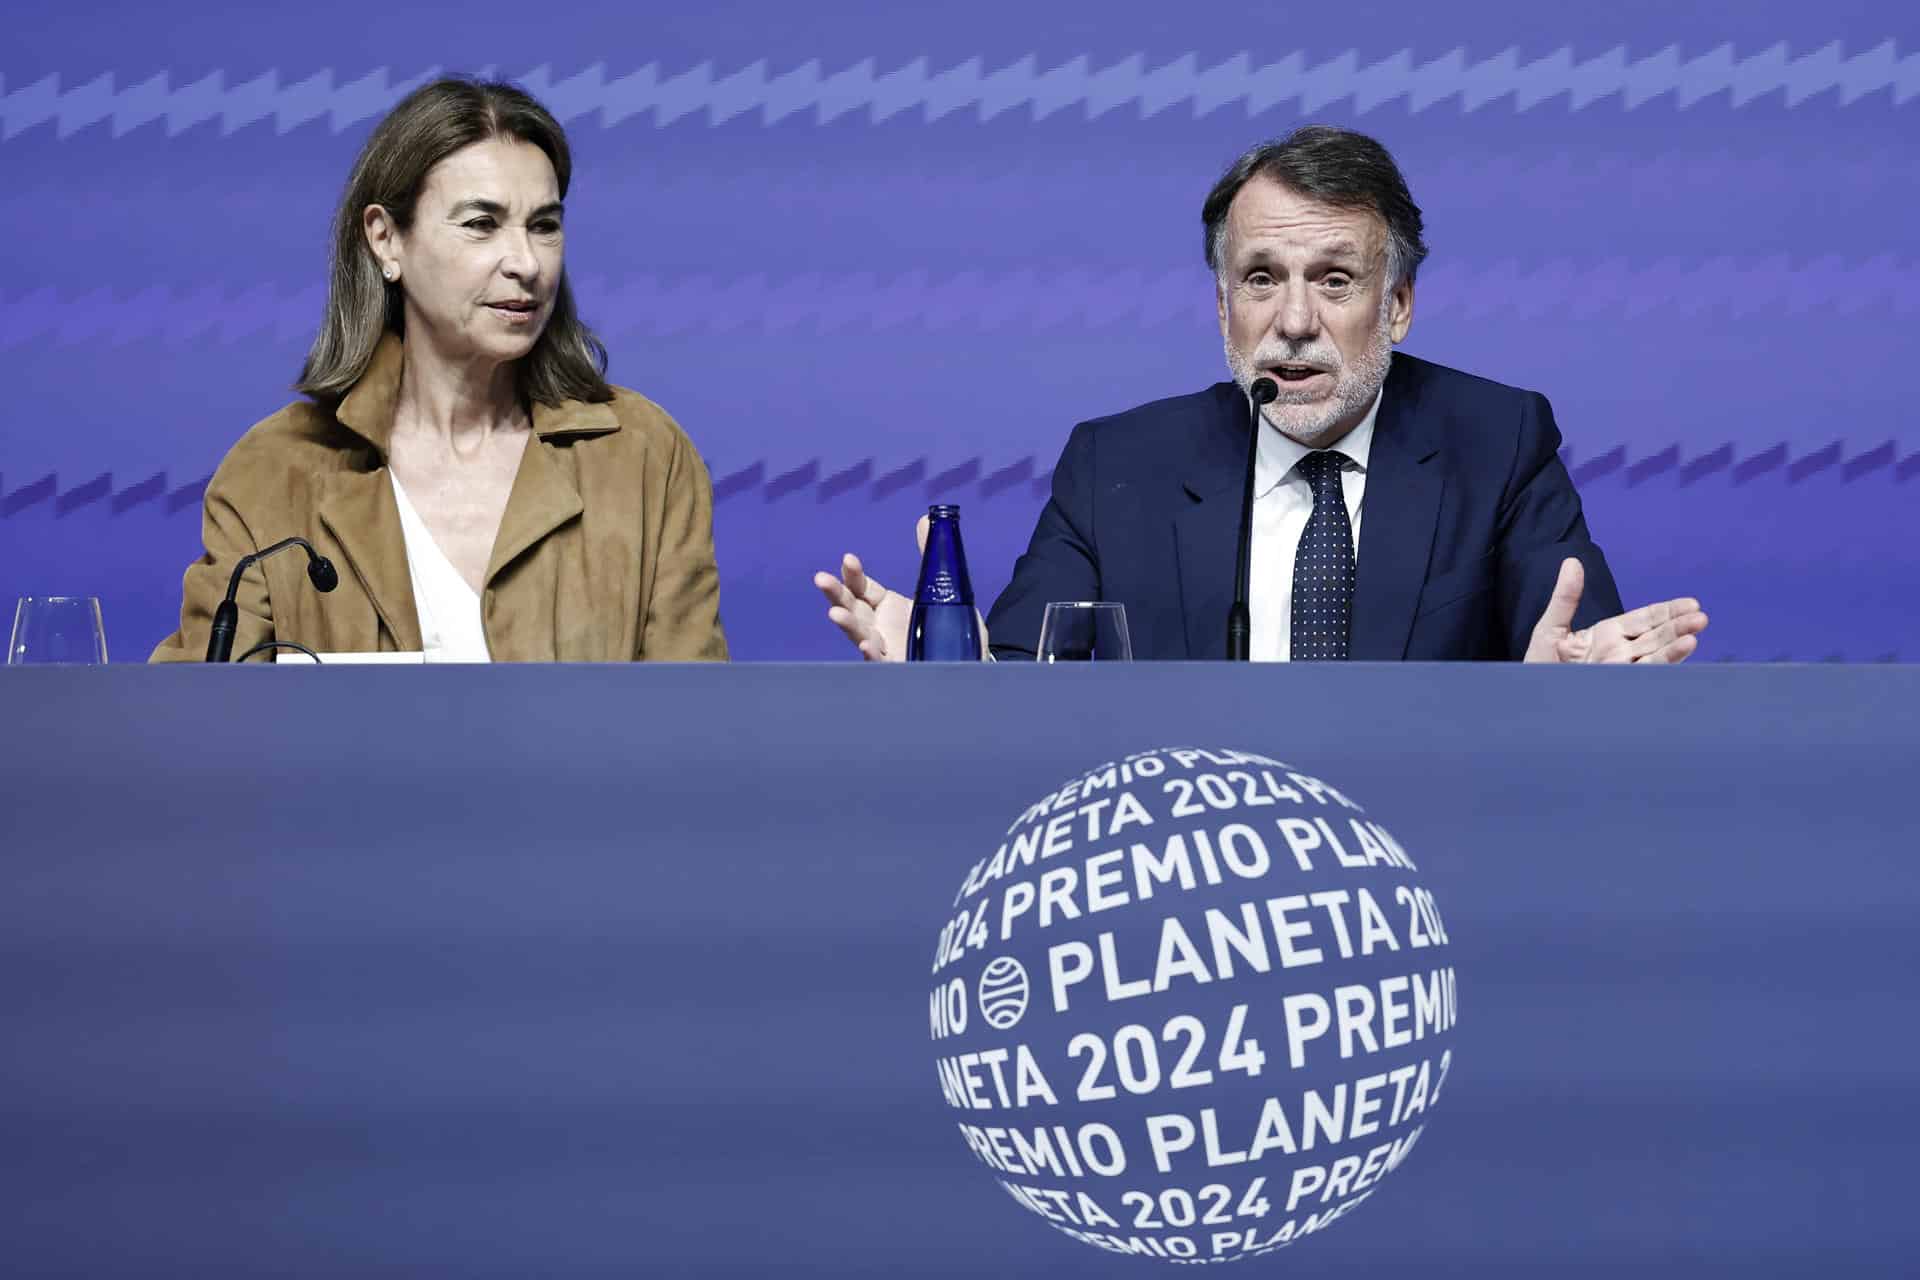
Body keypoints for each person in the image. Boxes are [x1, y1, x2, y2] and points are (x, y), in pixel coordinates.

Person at [816, 126, 1707, 664]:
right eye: (1259, 279)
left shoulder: (1498, 440)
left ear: (1396, 306)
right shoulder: (1115, 466)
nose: (1292, 322)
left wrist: (1560, 699)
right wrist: (958, 671)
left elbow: (1579, 646)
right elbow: (1026, 687)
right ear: (1221, 309)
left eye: (1333, 280)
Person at [153, 78, 726, 663]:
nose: (526, 263)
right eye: (482, 224)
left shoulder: (645, 456)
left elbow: (698, 729)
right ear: (386, 240)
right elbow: (202, 726)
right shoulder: (274, 472)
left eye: (544, 225)